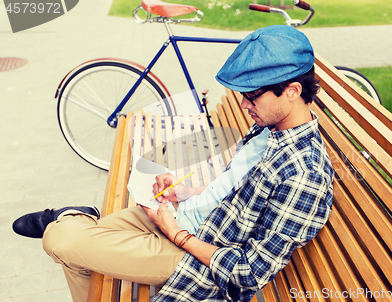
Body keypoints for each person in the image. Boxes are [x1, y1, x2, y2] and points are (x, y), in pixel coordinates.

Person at [12, 25, 334, 302]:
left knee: (60, 239)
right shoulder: (268, 126)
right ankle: (80, 218)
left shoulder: (305, 175)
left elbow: (247, 273)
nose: (243, 104)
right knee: (69, 252)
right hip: (176, 216)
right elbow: (234, 189)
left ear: (292, 91)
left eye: (252, 95)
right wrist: (185, 192)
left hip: (191, 254)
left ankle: (74, 216)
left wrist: (176, 233)